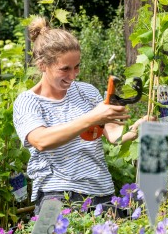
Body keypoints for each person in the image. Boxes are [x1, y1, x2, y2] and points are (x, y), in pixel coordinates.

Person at [13, 16, 147, 215]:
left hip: (101, 191)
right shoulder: (28, 101)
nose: (73, 75)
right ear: (42, 65)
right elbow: (41, 140)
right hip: (56, 194)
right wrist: (93, 117)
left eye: (77, 67)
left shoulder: (86, 91)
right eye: (65, 69)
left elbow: (114, 136)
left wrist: (135, 130)